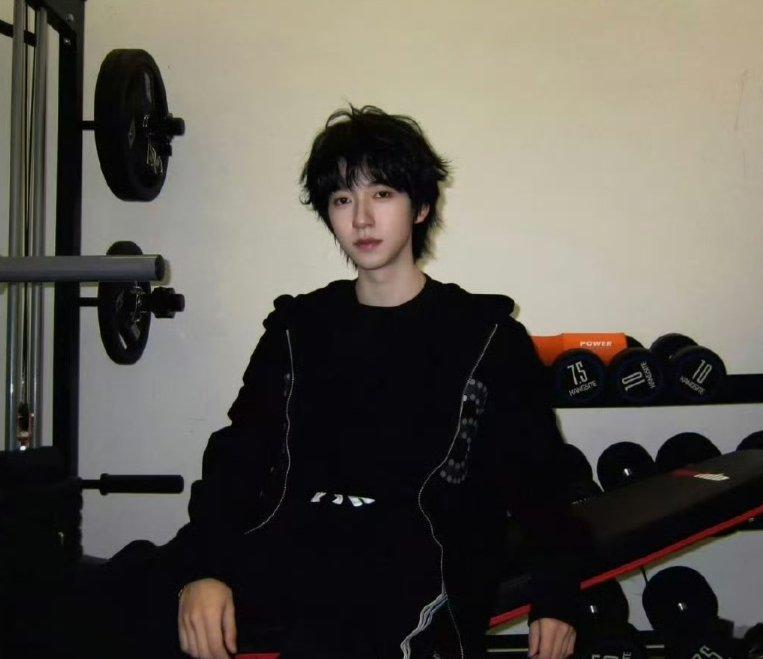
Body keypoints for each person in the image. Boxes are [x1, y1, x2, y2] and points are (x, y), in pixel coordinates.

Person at [168, 105, 585, 659]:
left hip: (417, 562)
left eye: (382, 194)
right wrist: (204, 568)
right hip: (292, 544)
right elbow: (238, 457)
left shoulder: (485, 336)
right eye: (343, 199)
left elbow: (539, 478)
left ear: (421, 207)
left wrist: (556, 595)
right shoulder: (296, 328)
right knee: (119, 600)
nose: (362, 218)